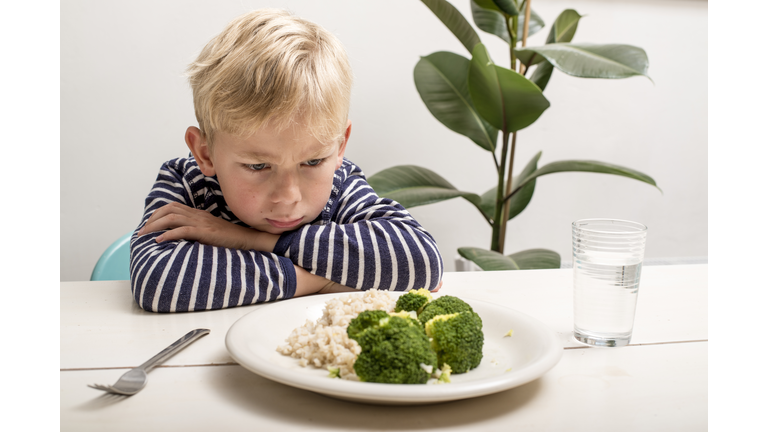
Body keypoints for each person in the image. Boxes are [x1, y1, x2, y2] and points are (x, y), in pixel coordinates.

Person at [130, 9, 443, 313]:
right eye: (257, 166)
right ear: (205, 153)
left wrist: (250, 240)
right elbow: (160, 283)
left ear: (339, 146)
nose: (288, 197)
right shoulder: (186, 183)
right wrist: (316, 282)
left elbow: (422, 260)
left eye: (312, 162)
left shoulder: (340, 184)